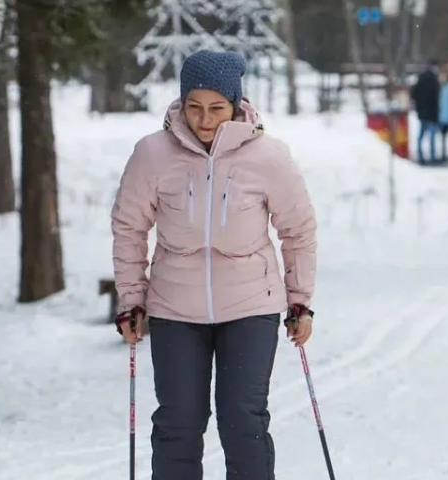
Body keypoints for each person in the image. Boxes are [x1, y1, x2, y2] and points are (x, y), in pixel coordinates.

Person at [110, 49, 318, 480]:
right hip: (174, 307)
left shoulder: (268, 156)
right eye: (194, 107)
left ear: (237, 104)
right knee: (178, 424)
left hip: (250, 305)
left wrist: (300, 301)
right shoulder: (152, 154)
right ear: (181, 103)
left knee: (243, 422)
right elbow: (129, 227)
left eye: (216, 109)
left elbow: (297, 230)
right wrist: (131, 300)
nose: (204, 120)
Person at [409, 59, 441, 164]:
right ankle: (431, 156)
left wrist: (418, 106)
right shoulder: (433, 80)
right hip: (431, 112)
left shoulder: (422, 78)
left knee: (422, 134)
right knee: (430, 135)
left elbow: (414, 94)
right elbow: (435, 97)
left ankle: (421, 155)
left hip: (423, 111)